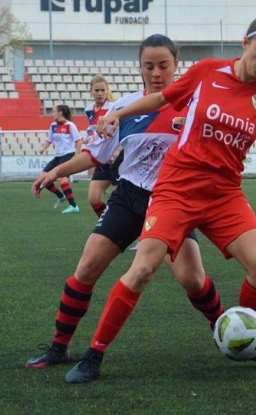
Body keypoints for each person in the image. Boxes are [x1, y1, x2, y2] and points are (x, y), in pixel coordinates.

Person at [63, 15, 256, 384]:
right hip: (177, 189)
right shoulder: (207, 72)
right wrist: (118, 112)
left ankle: (247, 340)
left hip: (224, 194)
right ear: (245, 43)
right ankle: (93, 355)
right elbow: (162, 98)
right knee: (144, 268)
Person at [26, 34, 225, 373]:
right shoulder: (124, 109)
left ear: (177, 65)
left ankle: (227, 332)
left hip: (173, 203)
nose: (156, 73)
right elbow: (93, 154)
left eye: (164, 65)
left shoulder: (196, 106)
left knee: (192, 279)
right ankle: (59, 348)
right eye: (149, 66)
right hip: (129, 198)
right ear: (140, 67)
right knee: (87, 268)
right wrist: (57, 170)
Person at [84, 74, 124, 218]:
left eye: (102, 90)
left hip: (117, 160)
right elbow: (92, 134)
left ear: (107, 91)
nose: (100, 94)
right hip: (101, 161)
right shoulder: (89, 111)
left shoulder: (114, 108)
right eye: (97, 90)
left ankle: (137, 233)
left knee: (124, 201)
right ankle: (109, 226)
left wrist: (118, 150)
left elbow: (123, 131)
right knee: (94, 199)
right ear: (91, 92)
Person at [37, 105, 83, 213]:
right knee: (43, 178)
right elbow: (49, 139)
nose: (52, 114)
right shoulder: (53, 126)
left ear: (60, 113)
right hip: (58, 156)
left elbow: (79, 140)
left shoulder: (70, 125)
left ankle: (73, 206)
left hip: (68, 155)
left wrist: (77, 155)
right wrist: (43, 148)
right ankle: (60, 196)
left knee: (62, 178)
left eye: (54, 112)